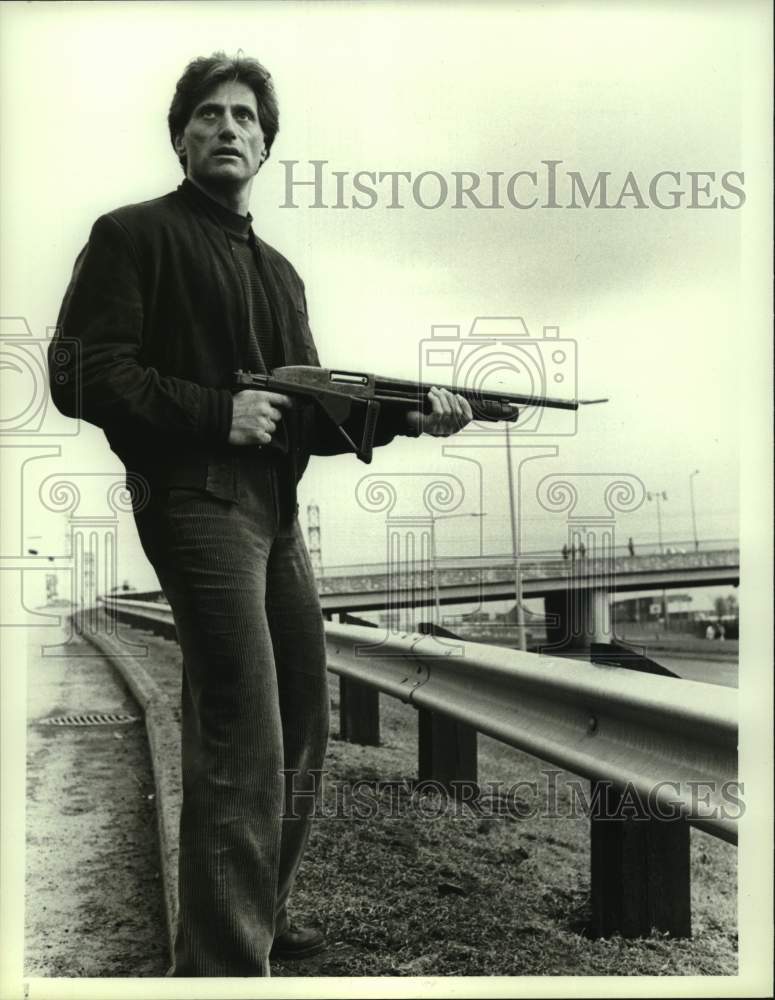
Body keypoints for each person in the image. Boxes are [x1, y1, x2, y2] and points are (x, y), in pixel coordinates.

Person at [48, 52, 473, 977]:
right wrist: (217, 411)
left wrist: (409, 418)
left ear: (267, 144)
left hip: (275, 513)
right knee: (242, 725)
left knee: (303, 718)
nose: (227, 127)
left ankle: (256, 916)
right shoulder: (133, 235)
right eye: (208, 114)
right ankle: (222, 970)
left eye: (244, 115)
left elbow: (317, 418)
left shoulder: (278, 272)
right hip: (196, 503)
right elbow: (80, 373)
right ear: (181, 135)